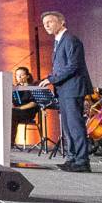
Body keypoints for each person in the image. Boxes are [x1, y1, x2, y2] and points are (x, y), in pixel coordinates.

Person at [39, 10, 95, 172]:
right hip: (64, 90)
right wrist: (50, 78)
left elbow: (73, 66)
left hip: (73, 88)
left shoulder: (71, 40)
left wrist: (52, 79)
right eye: (44, 24)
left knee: (75, 126)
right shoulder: (58, 41)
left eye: (50, 22)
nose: (46, 25)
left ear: (62, 22)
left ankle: (82, 161)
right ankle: (72, 158)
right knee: (67, 127)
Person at [10, 67, 41, 147]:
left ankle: (10, 142)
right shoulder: (16, 88)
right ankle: (5, 140)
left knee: (12, 114)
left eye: (21, 75)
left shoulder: (32, 87)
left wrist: (18, 108)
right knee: (7, 113)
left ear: (27, 76)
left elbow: (33, 103)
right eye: (17, 75)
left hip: (28, 112)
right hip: (16, 111)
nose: (19, 77)